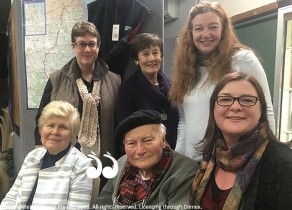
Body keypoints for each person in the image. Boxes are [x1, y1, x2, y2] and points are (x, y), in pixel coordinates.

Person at [169, 1, 275, 162]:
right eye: (198, 28)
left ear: (223, 29)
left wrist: (270, 156)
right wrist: (177, 159)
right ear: (190, 33)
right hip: (193, 163)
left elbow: (266, 110)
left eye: (213, 27)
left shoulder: (242, 60)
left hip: (231, 160)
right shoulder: (187, 68)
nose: (206, 34)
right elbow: (184, 121)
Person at [190, 72, 292, 209]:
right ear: (213, 108)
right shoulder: (209, 158)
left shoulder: (288, 165)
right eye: (225, 99)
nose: (235, 107)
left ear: (262, 111)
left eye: (247, 100)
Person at [34, 21, 121, 188]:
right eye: (82, 44)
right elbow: (41, 120)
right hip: (65, 161)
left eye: (91, 44)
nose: (87, 49)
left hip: (104, 162)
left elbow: (118, 122)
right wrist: (41, 155)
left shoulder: (115, 80)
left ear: (98, 46)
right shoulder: (56, 79)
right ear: (73, 46)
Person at [1, 101, 93, 210]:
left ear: (73, 135)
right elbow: (12, 197)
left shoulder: (81, 165)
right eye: (50, 125)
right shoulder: (32, 157)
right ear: (41, 129)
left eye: (63, 127)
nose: (55, 132)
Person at [97, 110, 198, 208]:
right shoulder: (120, 164)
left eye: (148, 140)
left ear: (163, 140)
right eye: (131, 143)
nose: (140, 151)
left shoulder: (185, 171)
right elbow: (104, 200)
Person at [115, 33, 179, 155]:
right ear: (136, 60)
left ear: (161, 56)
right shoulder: (128, 89)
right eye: (145, 54)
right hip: (143, 155)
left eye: (155, 53)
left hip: (174, 154)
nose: (151, 58)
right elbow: (124, 131)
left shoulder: (173, 85)